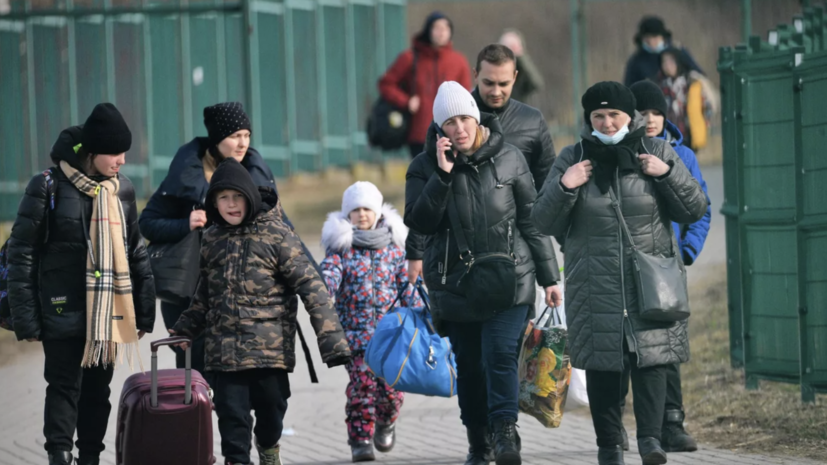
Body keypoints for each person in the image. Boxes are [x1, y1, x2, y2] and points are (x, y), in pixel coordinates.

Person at [531, 82, 707, 465]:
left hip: (651, 283)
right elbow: (541, 220)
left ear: (632, 118)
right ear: (588, 119)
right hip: (595, 283)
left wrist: (667, 174)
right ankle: (609, 446)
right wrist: (565, 185)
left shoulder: (656, 151)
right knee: (603, 366)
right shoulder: (572, 157)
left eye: (615, 115)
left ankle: (651, 441)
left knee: (653, 361)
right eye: (598, 116)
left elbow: (695, 208)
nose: (607, 123)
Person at [404, 81, 561, 465]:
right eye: (449, 123)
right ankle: (479, 442)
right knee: (471, 368)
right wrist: (442, 176)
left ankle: (506, 434)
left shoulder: (509, 157)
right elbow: (419, 222)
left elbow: (532, 219)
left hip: (512, 278)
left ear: (476, 119)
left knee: (500, 354)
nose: (459, 128)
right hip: (455, 286)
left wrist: (550, 276)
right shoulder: (423, 167)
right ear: (440, 129)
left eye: (464, 119)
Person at [169, 158, 351, 465]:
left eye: (236, 196)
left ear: (249, 197)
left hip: (270, 351)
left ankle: (268, 447)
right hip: (224, 352)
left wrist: (331, 341)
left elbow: (313, 288)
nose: (231, 204)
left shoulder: (278, 236)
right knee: (231, 417)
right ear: (213, 202)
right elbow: (205, 292)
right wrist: (186, 326)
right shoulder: (212, 239)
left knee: (272, 407)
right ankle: (237, 460)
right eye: (223, 198)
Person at [7, 103, 156, 465]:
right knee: (63, 387)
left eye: (125, 152)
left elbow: (136, 251)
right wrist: (26, 318)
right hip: (62, 308)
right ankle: (59, 454)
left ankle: (89, 457)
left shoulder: (122, 191)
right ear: (92, 151)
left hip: (106, 314)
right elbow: (21, 252)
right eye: (114, 153)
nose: (121, 160)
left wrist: (145, 309)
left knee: (97, 391)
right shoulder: (47, 186)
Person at [139, 102, 321, 375]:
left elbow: (283, 229)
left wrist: (317, 276)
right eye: (235, 135)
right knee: (193, 371)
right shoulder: (184, 174)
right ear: (216, 137)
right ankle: (198, 418)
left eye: (247, 135)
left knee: (237, 376)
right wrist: (184, 224)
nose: (243, 143)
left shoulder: (257, 174)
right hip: (188, 291)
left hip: (243, 292)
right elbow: (148, 223)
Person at [406, 43, 557, 287]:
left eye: (504, 84)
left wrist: (554, 256)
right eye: (488, 83)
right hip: (459, 250)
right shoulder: (448, 118)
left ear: (515, 78)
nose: (496, 91)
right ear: (476, 75)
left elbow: (546, 186)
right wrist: (416, 251)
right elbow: (427, 188)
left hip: (514, 250)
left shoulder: (531, 121)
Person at [624, 80, 712, 453]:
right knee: (633, 349)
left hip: (668, 267)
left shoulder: (683, 155)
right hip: (630, 266)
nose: (650, 120)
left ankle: (672, 423)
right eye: (642, 113)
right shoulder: (622, 153)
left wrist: (688, 250)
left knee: (669, 346)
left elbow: (700, 207)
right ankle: (631, 425)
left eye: (657, 112)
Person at [320, 181, 423, 462]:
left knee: (390, 392)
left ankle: (386, 421)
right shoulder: (342, 249)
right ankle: (360, 439)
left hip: (391, 337)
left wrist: (421, 311)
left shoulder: (395, 250)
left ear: (378, 212)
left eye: (367, 208)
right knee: (361, 388)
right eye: (356, 210)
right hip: (355, 337)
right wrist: (322, 289)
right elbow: (329, 275)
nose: (362, 214)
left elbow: (409, 285)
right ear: (347, 215)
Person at [378, 11, 472, 159]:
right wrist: (406, 101)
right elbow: (386, 83)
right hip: (418, 133)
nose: (441, 32)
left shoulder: (459, 62)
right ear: (428, 30)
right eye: (436, 28)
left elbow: (466, 96)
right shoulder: (410, 58)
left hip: (451, 133)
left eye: (445, 28)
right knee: (423, 176)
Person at [655, 48, 719, 151]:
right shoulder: (659, 85)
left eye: (671, 61)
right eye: (664, 61)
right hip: (667, 135)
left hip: (688, 134)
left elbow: (709, 106)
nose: (667, 65)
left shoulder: (692, 83)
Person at [623, 16, 702, 87]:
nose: (652, 42)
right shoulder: (636, 61)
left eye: (655, 38)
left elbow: (699, 76)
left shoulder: (678, 53)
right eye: (647, 39)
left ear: (663, 37)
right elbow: (628, 88)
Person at [498, 29, 545, 104]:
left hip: (521, 110)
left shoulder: (522, 70)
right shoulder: (495, 71)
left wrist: (521, 57)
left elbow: (536, 84)